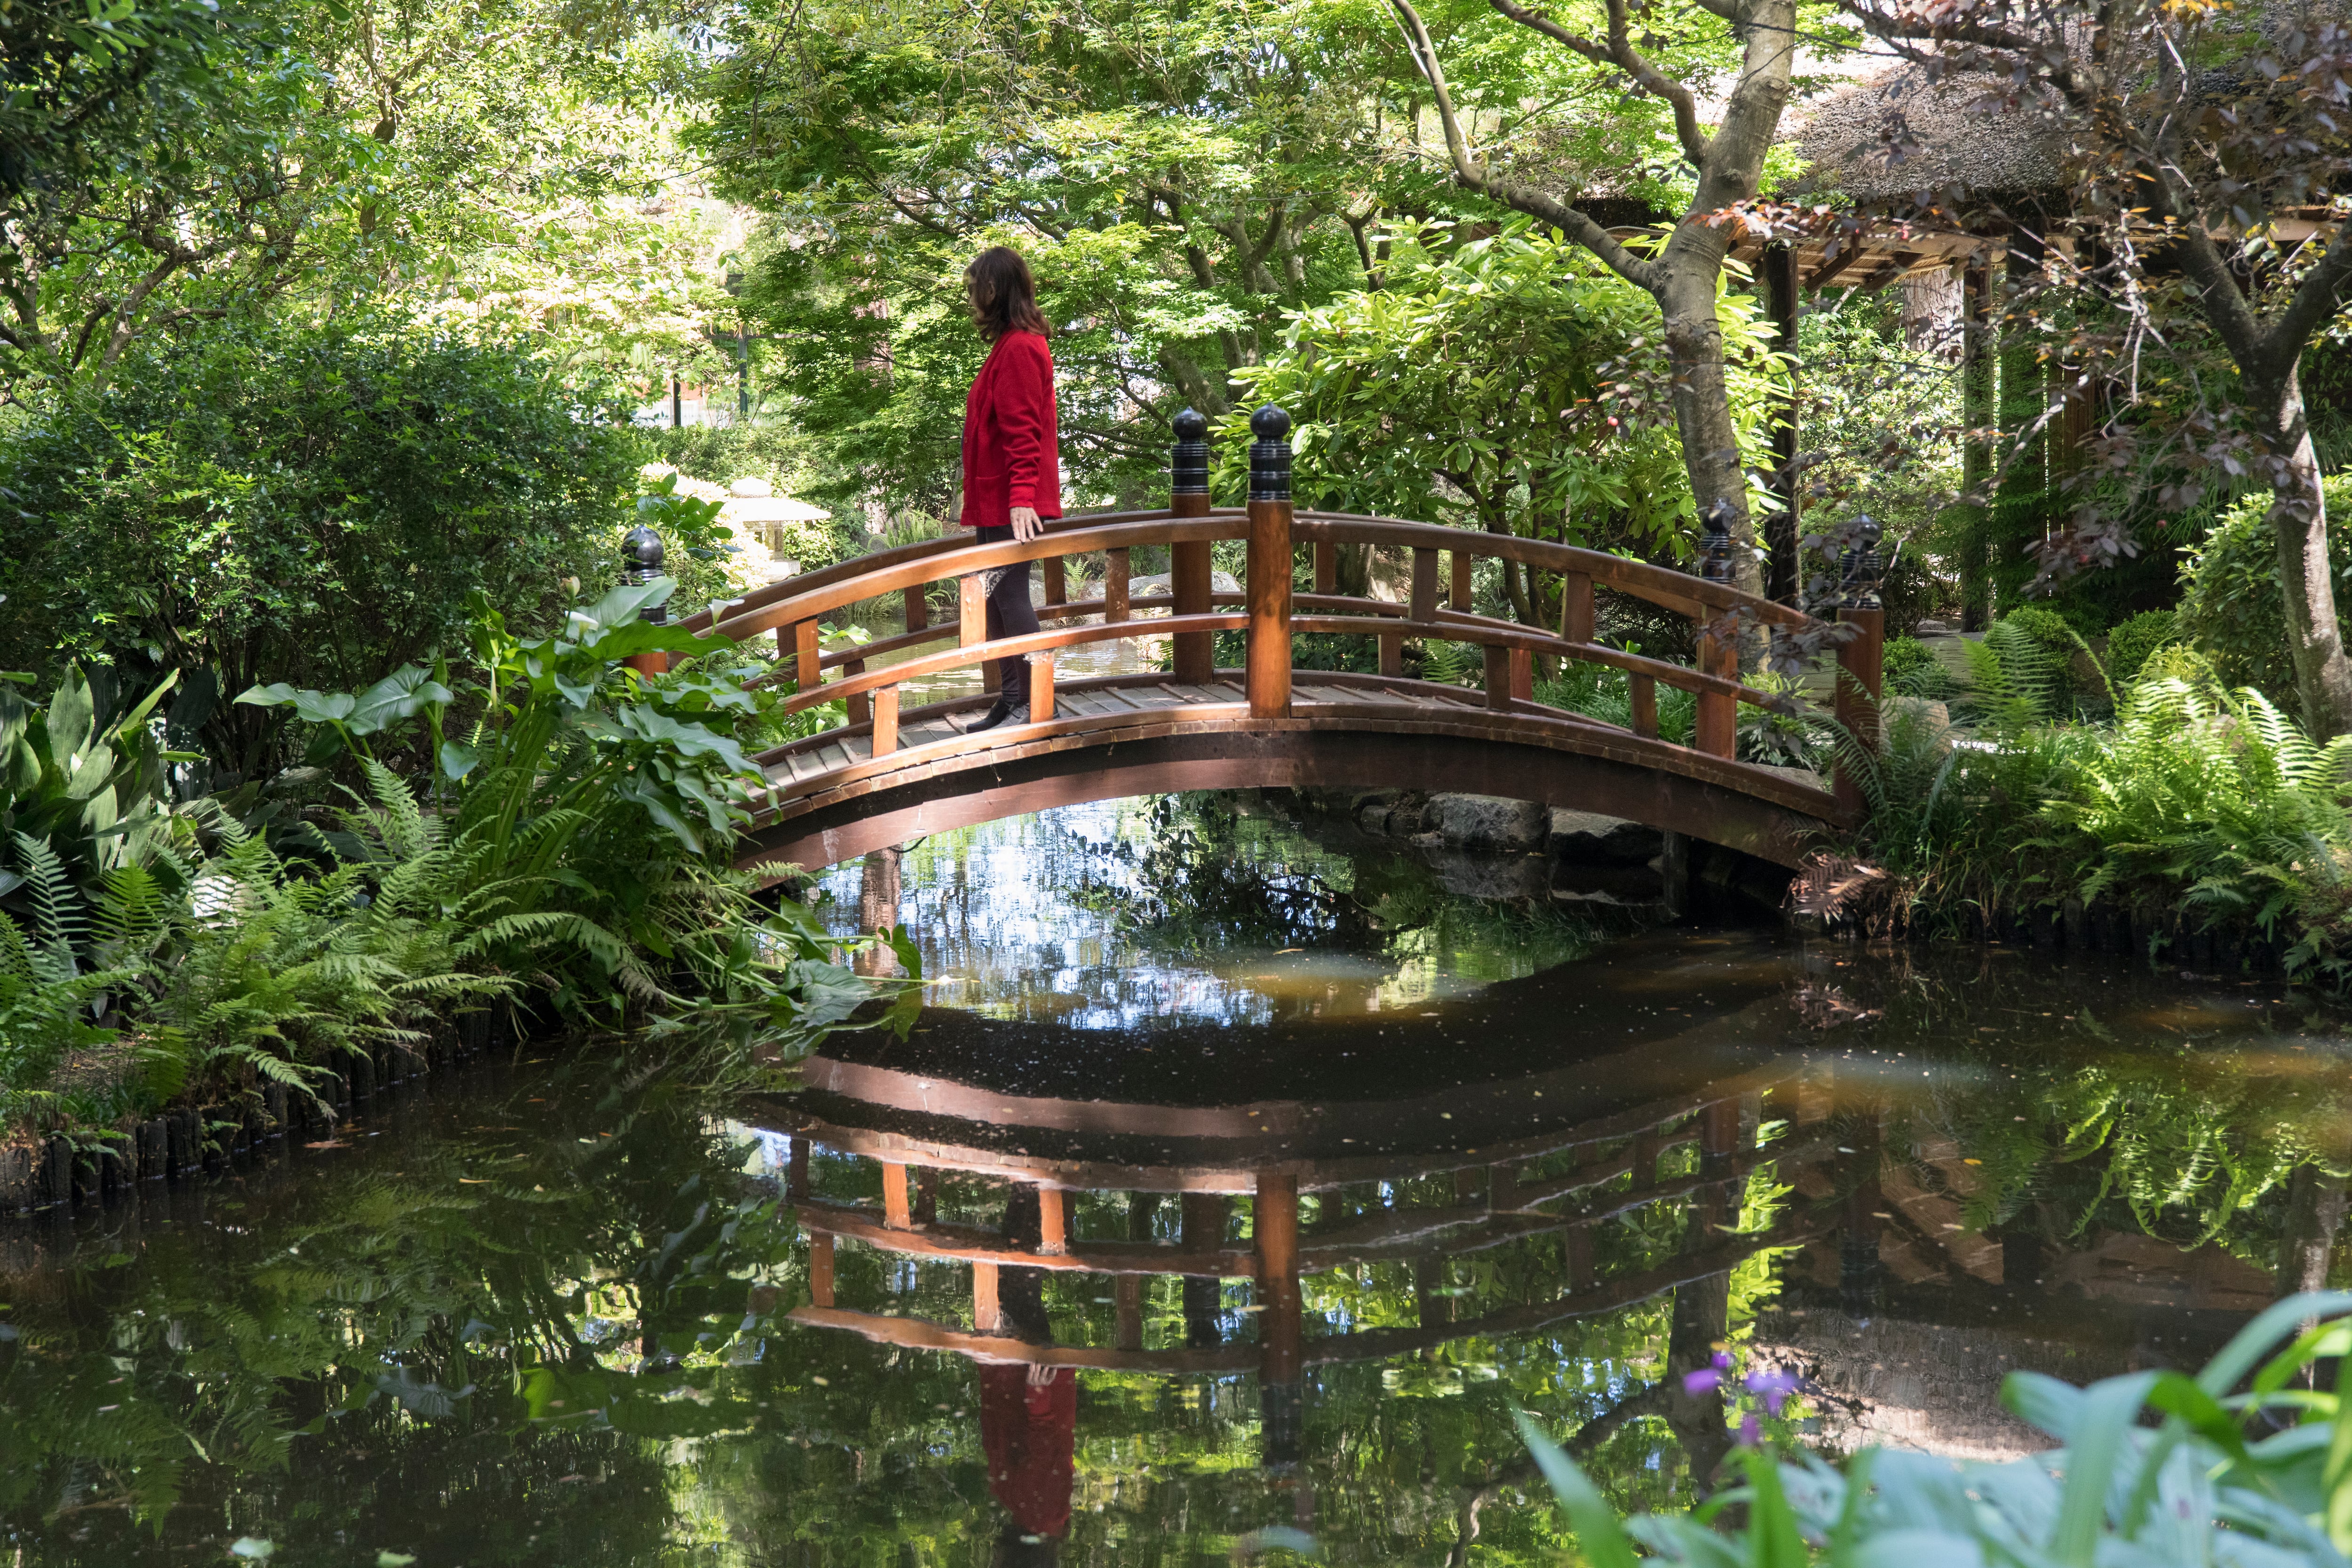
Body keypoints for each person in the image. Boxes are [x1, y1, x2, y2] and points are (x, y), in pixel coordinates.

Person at [955, 245, 1063, 733]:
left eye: (973, 289)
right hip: (993, 496)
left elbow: (1025, 431)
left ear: (993, 290)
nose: (970, 299)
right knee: (996, 598)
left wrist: (1022, 497)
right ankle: (1013, 697)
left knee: (1011, 597)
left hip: (1008, 499)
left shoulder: (1020, 347)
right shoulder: (1008, 346)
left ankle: (1036, 701)